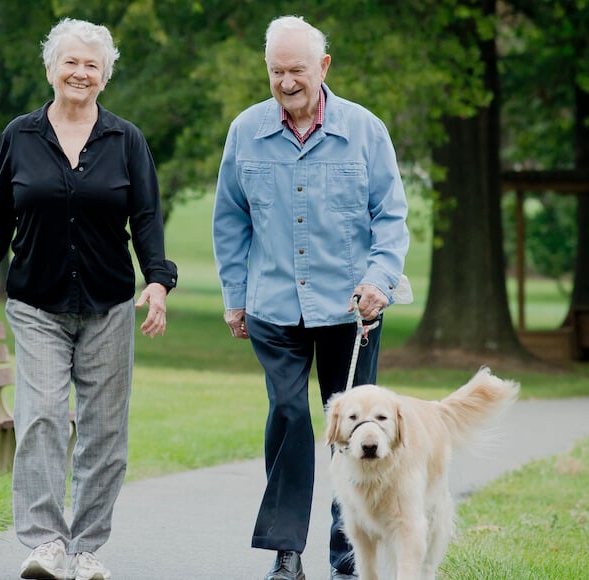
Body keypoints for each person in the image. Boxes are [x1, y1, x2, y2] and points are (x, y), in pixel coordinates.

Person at [0, 18, 177, 580]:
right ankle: (45, 543)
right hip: (37, 304)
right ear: (50, 69)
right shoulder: (20, 135)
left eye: (92, 65)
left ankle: (86, 548)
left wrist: (158, 283)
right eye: (71, 62)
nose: (80, 73)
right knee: (41, 417)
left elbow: (145, 219)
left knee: (104, 431)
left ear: (104, 77)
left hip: (109, 304)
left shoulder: (126, 139)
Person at [211, 15, 410, 580]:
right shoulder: (245, 131)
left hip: (352, 310)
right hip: (273, 305)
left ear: (322, 67)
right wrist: (234, 296)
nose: (286, 81)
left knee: (355, 430)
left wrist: (379, 280)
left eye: (296, 69)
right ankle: (286, 553)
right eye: (276, 71)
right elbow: (230, 219)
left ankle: (349, 553)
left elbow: (391, 217)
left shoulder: (365, 130)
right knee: (292, 415)